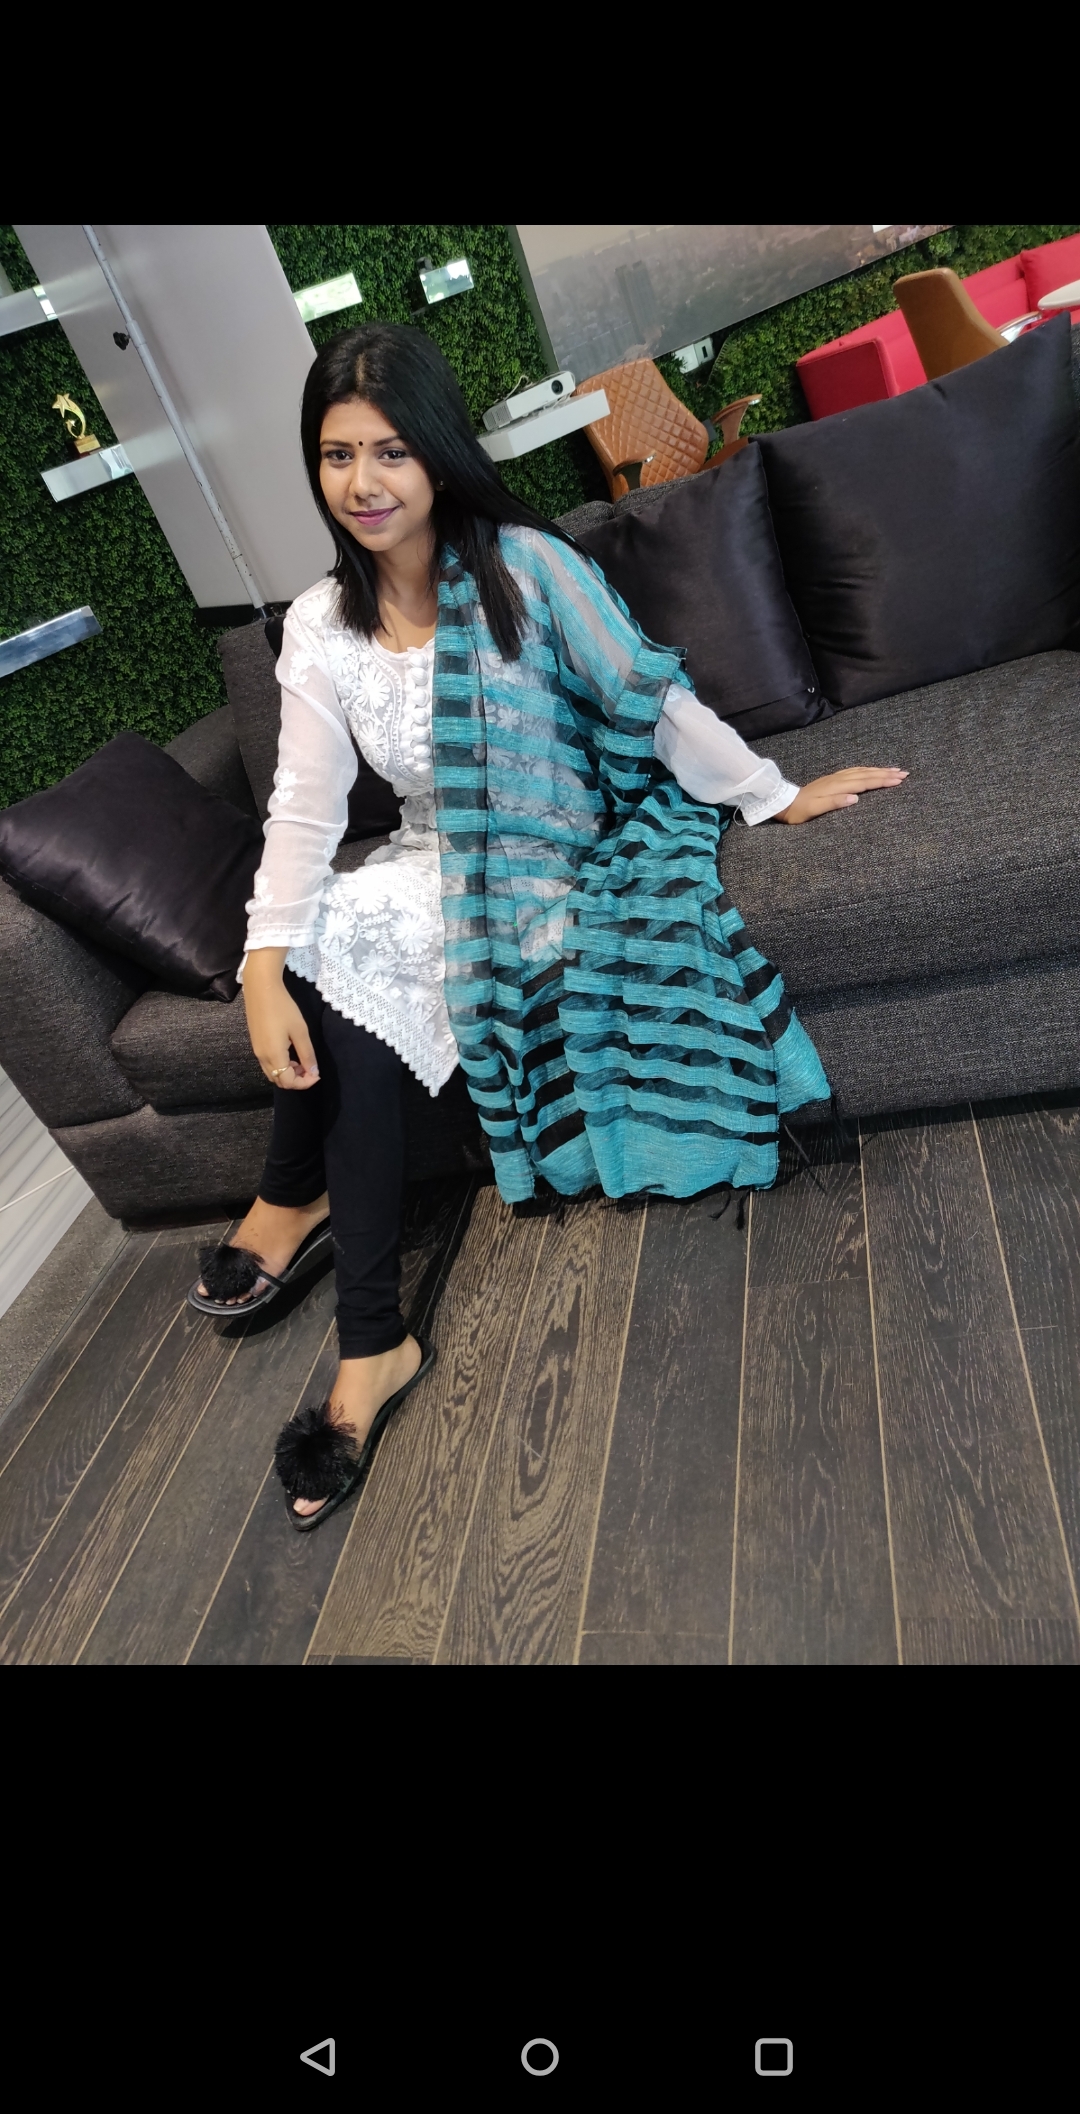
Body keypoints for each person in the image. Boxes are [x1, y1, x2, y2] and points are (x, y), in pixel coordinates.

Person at [191, 324, 906, 1528]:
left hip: (548, 859)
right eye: (336, 455)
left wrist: (772, 794)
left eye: (390, 453)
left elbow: (649, 699)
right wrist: (260, 968)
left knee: (344, 948)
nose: (363, 483)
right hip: (433, 859)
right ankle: (358, 1307)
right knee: (316, 942)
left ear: (437, 455)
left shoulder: (523, 567)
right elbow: (305, 807)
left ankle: (330, 1269)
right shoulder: (319, 624)